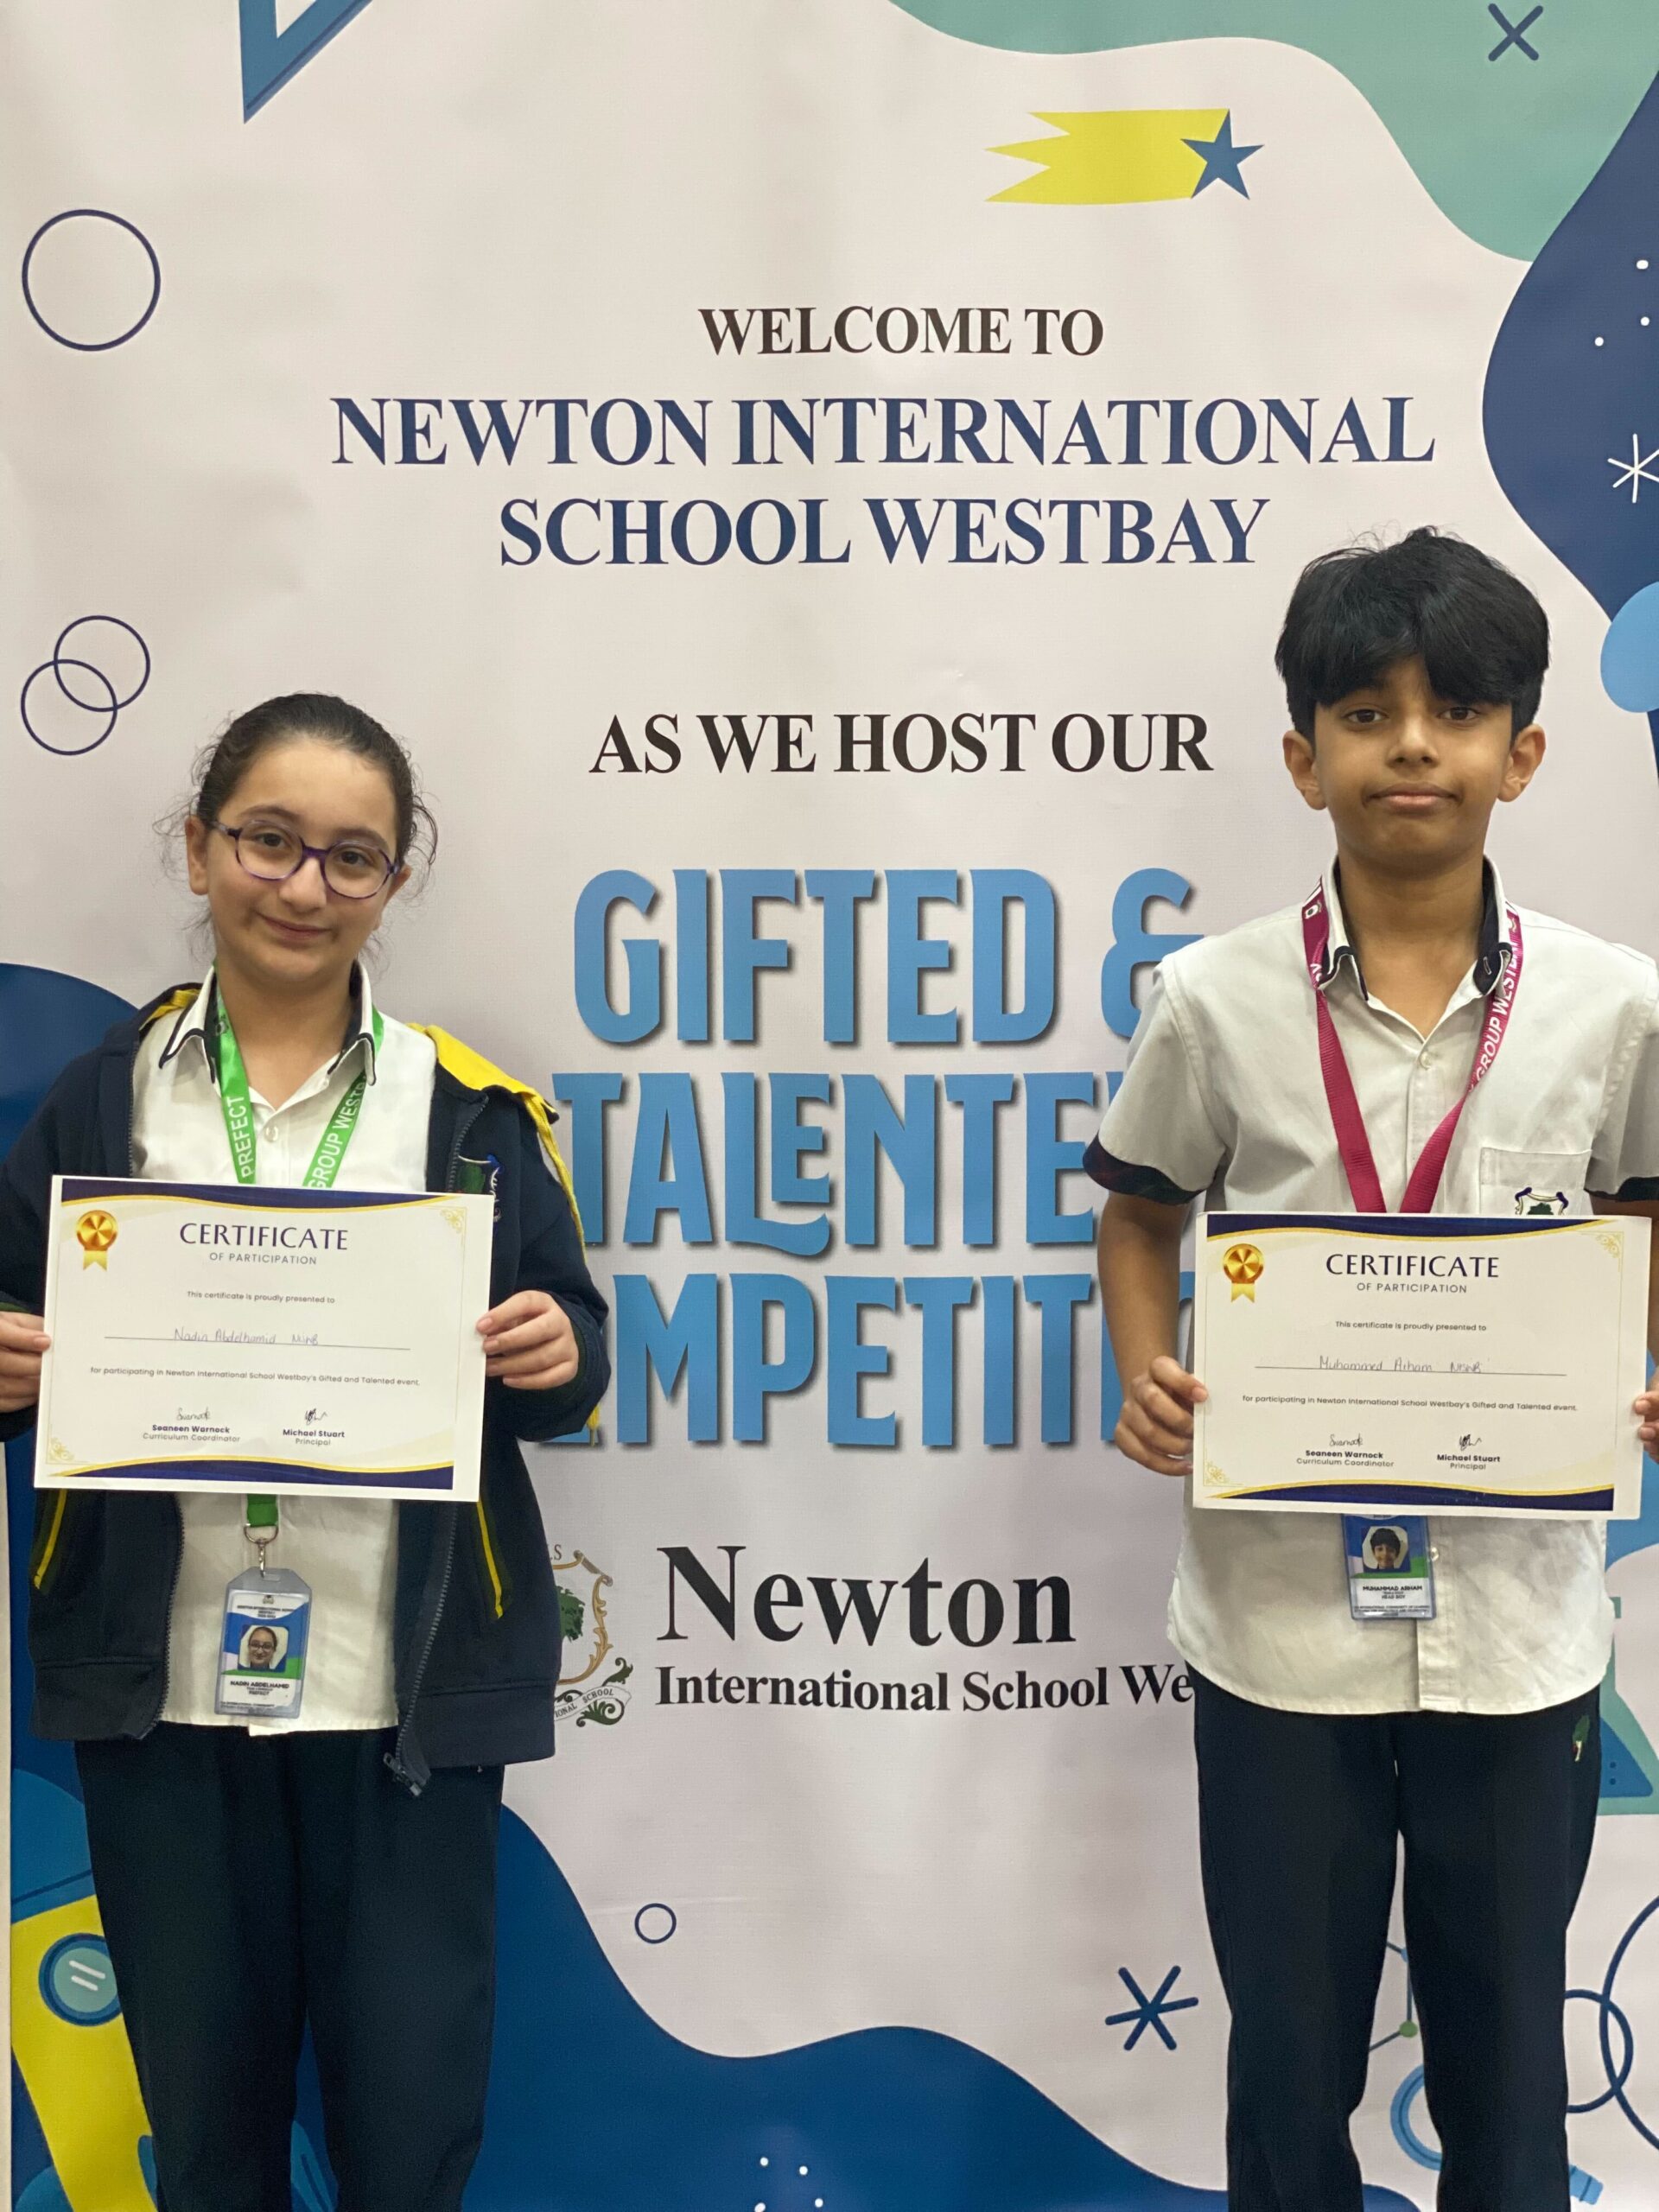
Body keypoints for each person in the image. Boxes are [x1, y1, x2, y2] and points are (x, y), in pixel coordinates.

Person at [1092, 531, 1659, 2212]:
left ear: (1523, 753)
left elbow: (1644, 1207)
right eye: (1366, 712)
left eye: (1458, 711)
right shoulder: (1211, 1000)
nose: (1413, 745)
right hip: (1278, 1624)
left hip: (1518, 1628)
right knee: (1289, 2062)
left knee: (1508, 2067)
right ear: (1304, 757)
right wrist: (1148, 1367)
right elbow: (1139, 1212)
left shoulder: (1617, 1008)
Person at [0, 694, 610, 2212]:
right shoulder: (102, 1101)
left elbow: (571, 1359)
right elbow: (19, 1333)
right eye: (268, 841)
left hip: (399, 1697)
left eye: (352, 856)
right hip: (163, 1692)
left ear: (395, 880)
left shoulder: (466, 1108)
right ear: (199, 847)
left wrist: (557, 1352)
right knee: (206, 2131)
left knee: (410, 2126)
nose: (304, 885)